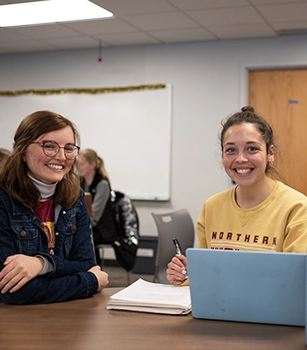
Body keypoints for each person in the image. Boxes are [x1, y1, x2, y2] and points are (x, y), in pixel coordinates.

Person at [167, 105, 307, 285]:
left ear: (270, 153)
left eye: (252, 149)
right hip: (217, 309)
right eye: (231, 150)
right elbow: (206, 275)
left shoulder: (297, 208)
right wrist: (185, 275)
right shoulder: (212, 207)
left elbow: (296, 281)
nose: (240, 159)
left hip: (271, 310)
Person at [0, 110, 109, 304]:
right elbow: (13, 291)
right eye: (49, 146)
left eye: (68, 148)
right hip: (11, 324)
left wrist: (42, 265)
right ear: (23, 150)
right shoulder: (3, 199)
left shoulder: (74, 197)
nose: (61, 156)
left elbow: (86, 264)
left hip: (63, 320)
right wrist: (90, 282)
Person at [77, 149, 116, 265]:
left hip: (102, 228)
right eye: (77, 164)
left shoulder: (102, 184)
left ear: (92, 165)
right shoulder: (80, 183)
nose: (78, 167)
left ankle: (91, 269)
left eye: (81, 164)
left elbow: (95, 216)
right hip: (88, 224)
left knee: (82, 235)